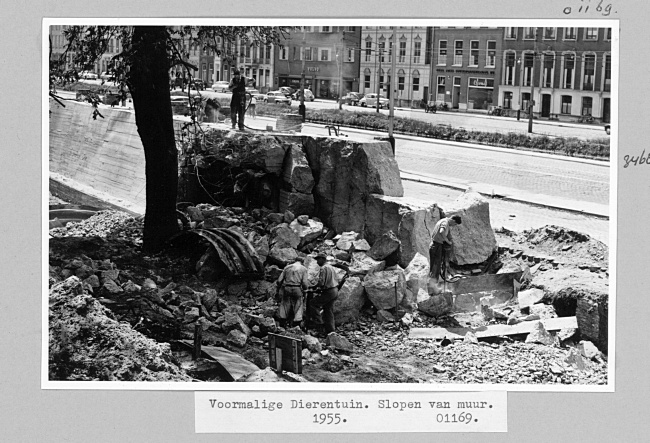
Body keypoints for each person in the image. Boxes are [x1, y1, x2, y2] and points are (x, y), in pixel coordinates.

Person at [308, 252, 339, 335]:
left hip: (328, 291)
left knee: (313, 304)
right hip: (335, 290)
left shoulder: (323, 268)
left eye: (318, 260)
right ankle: (331, 331)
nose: (317, 262)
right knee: (328, 310)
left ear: (322, 259)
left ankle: (319, 326)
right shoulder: (331, 267)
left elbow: (321, 282)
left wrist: (314, 286)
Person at [276, 257, 309, 329]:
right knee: (298, 304)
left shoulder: (287, 268)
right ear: (302, 262)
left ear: (295, 261)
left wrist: (278, 289)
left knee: (285, 304)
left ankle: (283, 321)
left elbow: (279, 281)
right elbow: (304, 283)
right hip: (297, 288)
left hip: (287, 288)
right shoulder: (304, 269)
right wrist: (305, 290)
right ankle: (296, 322)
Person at [429, 215, 462, 281]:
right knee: (435, 266)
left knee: (437, 265)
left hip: (437, 245)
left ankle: (434, 285)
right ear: (453, 220)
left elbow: (448, 234)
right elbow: (441, 231)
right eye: (455, 224)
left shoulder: (444, 221)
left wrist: (450, 240)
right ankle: (433, 286)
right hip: (436, 246)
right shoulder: (445, 223)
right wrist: (447, 241)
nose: (454, 225)